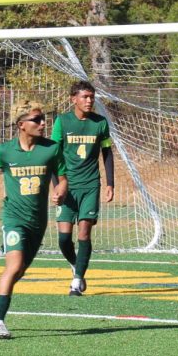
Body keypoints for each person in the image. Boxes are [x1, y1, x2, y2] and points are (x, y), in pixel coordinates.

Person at [0, 100, 66, 339]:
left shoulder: (51, 149)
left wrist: (60, 190)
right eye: (36, 120)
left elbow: (63, 177)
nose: (42, 123)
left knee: (19, 272)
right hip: (13, 219)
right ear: (21, 125)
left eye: (42, 119)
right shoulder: (5, 150)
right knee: (14, 266)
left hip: (38, 222)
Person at [50, 80, 114, 296]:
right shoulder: (62, 121)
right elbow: (53, 155)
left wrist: (110, 183)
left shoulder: (100, 123)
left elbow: (107, 153)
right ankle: (77, 265)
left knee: (84, 233)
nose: (89, 101)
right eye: (85, 97)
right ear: (73, 99)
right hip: (67, 186)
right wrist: (57, 187)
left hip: (90, 185)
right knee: (64, 238)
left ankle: (76, 282)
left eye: (92, 97)